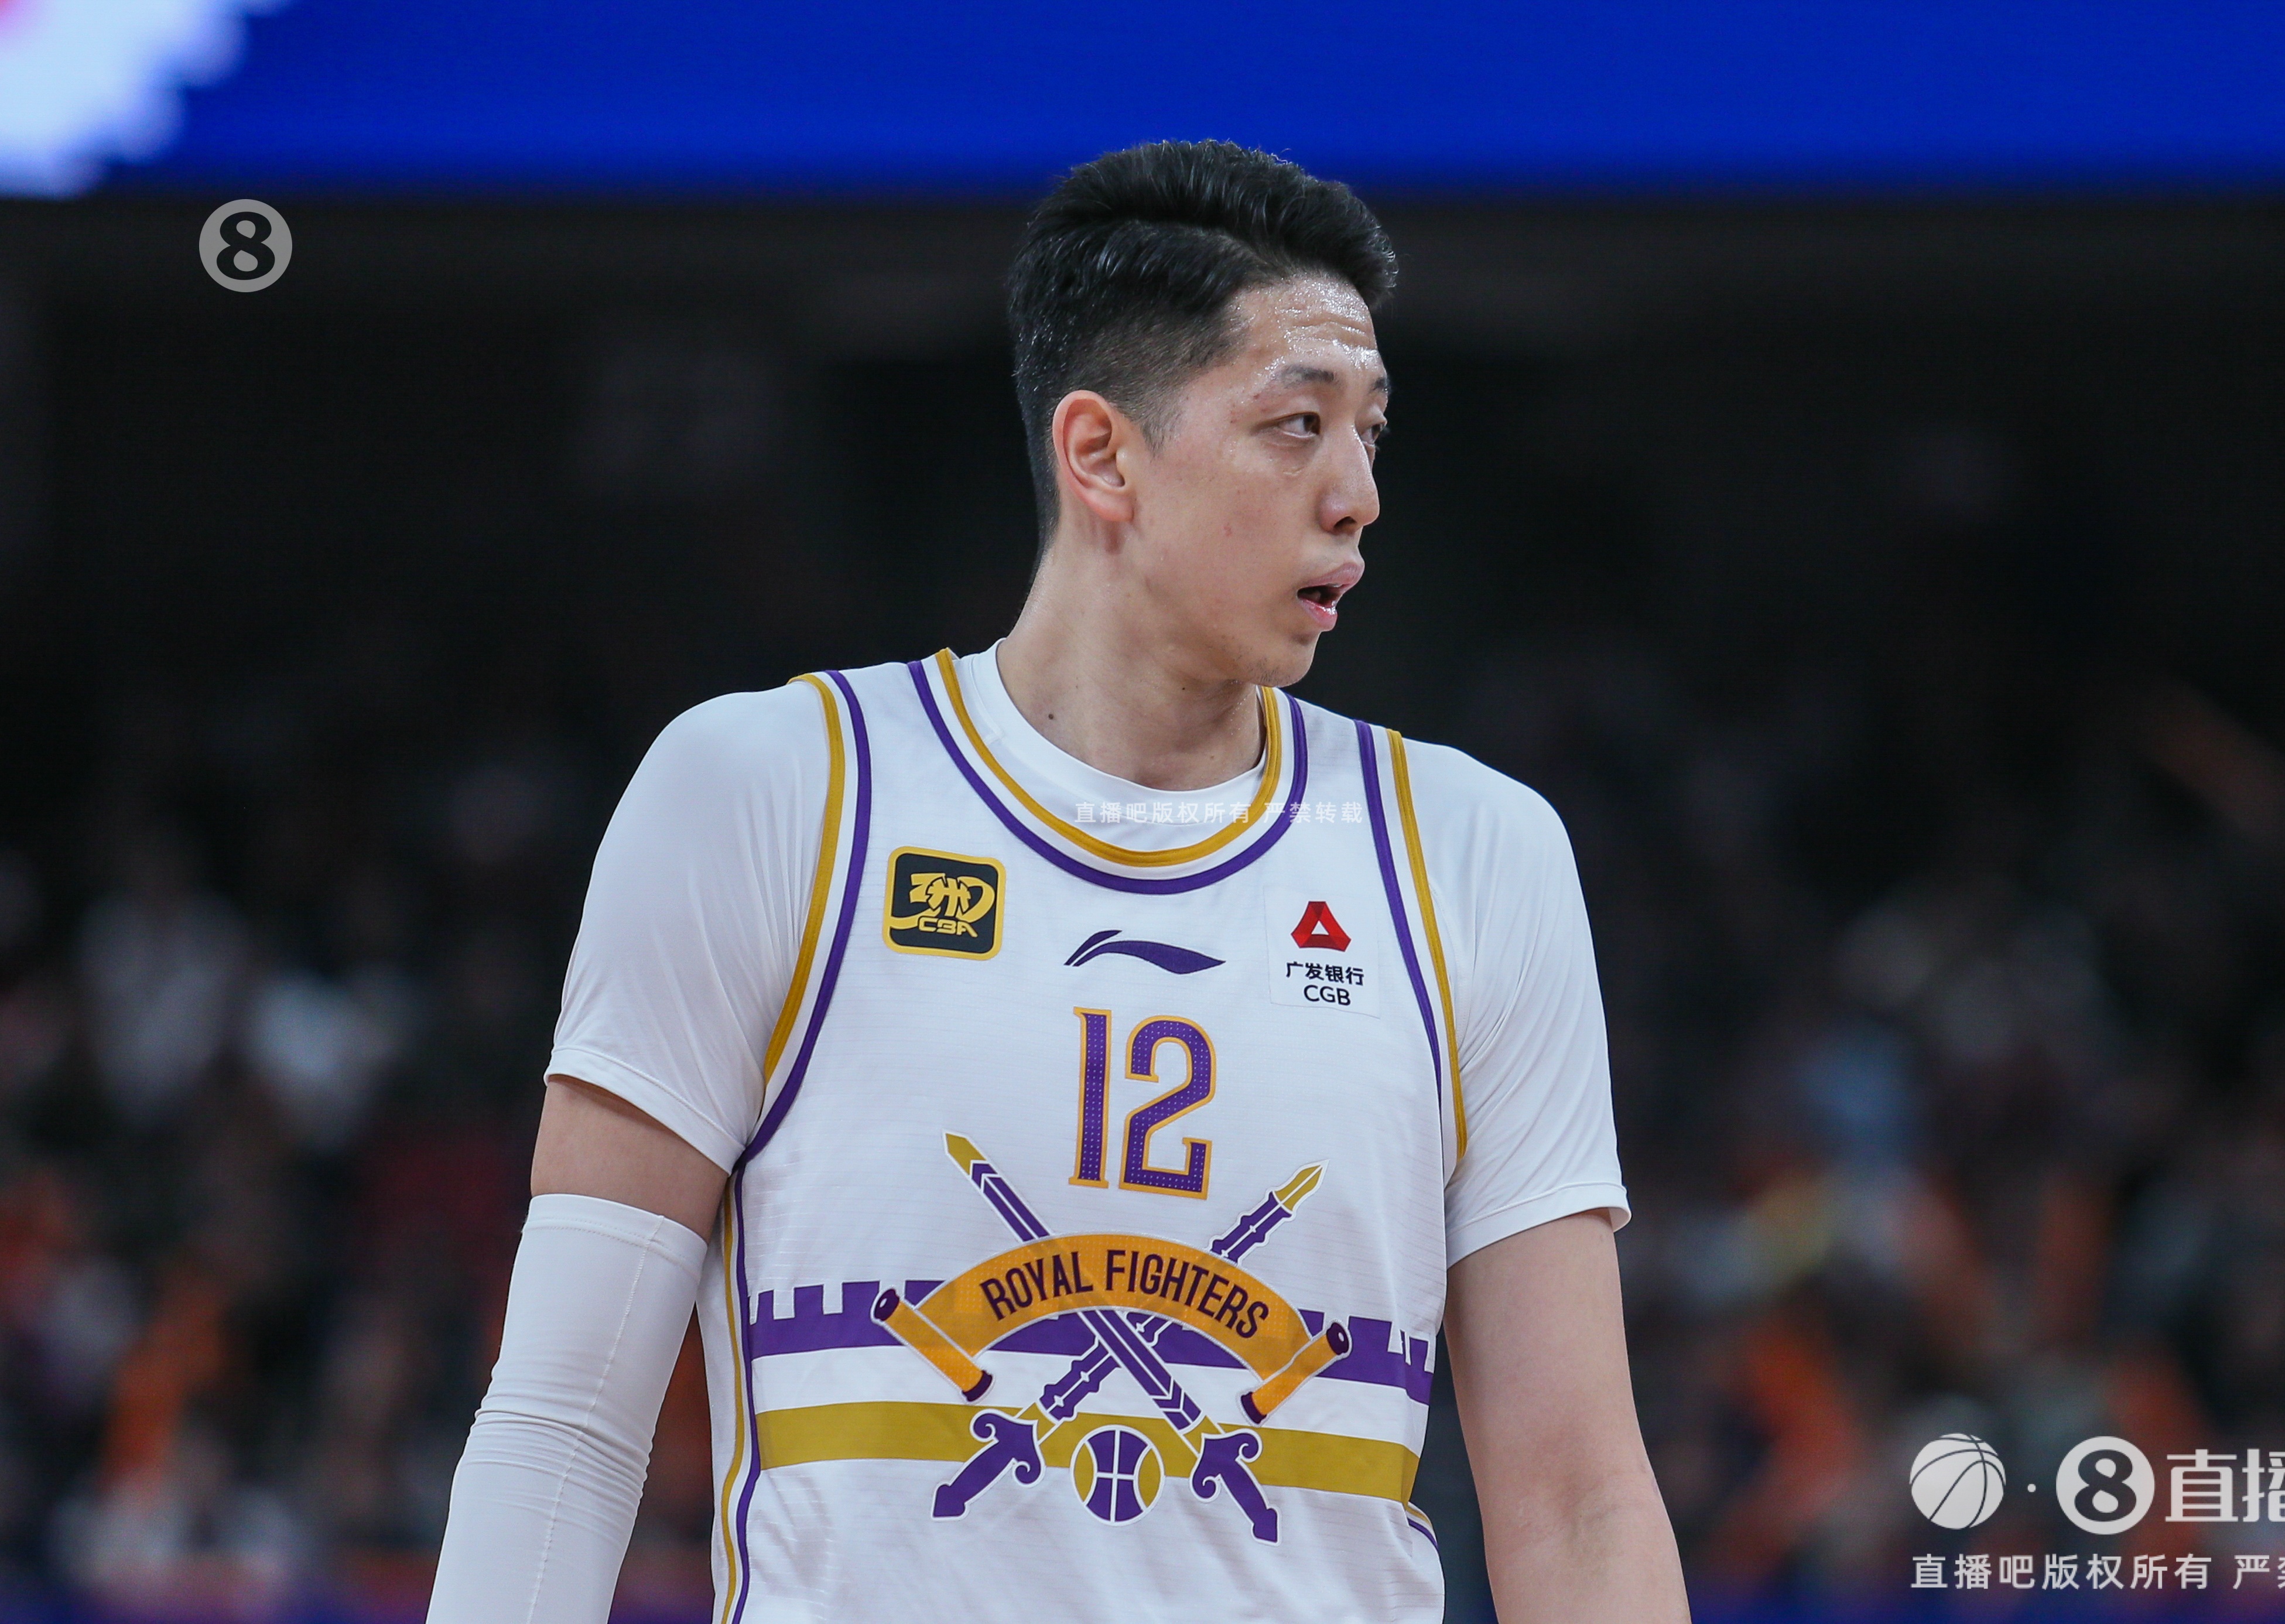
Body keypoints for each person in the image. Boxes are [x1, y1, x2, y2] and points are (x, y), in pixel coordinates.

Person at [426, 139, 1689, 1624]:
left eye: (1371, 432)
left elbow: (1577, 1500)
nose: (1357, 494)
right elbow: (565, 1421)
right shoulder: (769, 793)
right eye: (1297, 425)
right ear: (1101, 456)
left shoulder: (1475, 854)